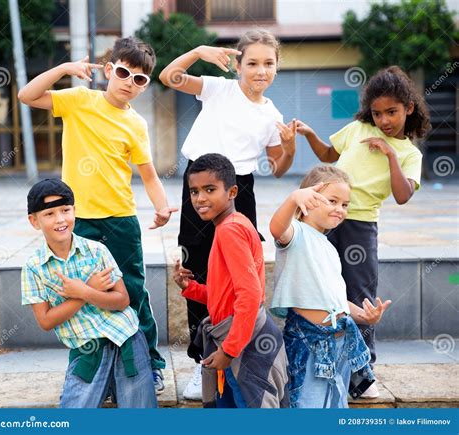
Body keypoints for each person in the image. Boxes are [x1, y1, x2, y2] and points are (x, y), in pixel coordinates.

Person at [18, 37, 178, 394]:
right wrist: (63, 69)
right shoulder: (79, 100)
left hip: (120, 220)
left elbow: (149, 175)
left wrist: (162, 205)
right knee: (83, 295)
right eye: (123, 72)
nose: (129, 82)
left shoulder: (136, 124)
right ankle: (93, 369)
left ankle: (148, 364)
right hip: (78, 222)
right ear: (108, 70)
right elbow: (26, 96)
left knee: (131, 292)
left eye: (140, 79)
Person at [160, 29, 296, 399]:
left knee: (238, 273)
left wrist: (288, 146)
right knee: (196, 269)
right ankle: (199, 358)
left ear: (277, 68)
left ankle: (239, 347)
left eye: (269, 63)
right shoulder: (219, 88)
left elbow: (279, 167)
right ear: (238, 65)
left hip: (240, 189)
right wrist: (198, 50)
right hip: (201, 184)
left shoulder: (272, 114)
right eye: (252, 62)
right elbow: (168, 77)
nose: (260, 70)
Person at [294, 66, 430, 398]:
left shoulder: (410, 154)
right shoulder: (358, 128)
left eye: (392, 112)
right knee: (319, 284)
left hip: (360, 225)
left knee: (361, 292)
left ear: (409, 108)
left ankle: (363, 370)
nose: (384, 120)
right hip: (324, 218)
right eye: (378, 112)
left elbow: (402, 194)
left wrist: (389, 154)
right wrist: (311, 134)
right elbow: (329, 155)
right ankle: (317, 358)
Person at [21, 179, 157, 408]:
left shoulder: (96, 250)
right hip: (87, 350)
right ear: (34, 221)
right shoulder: (35, 267)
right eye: (49, 214)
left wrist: (84, 290)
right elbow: (45, 321)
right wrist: (86, 292)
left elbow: (122, 300)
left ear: (75, 211)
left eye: (65, 210)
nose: (60, 219)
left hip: (126, 338)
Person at [173, 154, 289, 408]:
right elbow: (226, 294)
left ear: (233, 191)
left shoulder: (229, 230)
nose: (200, 198)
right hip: (244, 338)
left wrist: (229, 351)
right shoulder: (234, 224)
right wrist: (190, 288)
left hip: (244, 344)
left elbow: (249, 294)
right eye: (194, 191)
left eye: (210, 189)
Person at [270, 165, 391, 408]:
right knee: (308, 405)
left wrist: (364, 315)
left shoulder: (328, 246)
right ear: (308, 200)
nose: (340, 209)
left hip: (339, 343)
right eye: (332, 201)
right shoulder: (297, 234)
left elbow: (334, 300)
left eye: (345, 204)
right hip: (309, 341)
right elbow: (277, 228)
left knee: (335, 403)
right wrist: (294, 198)